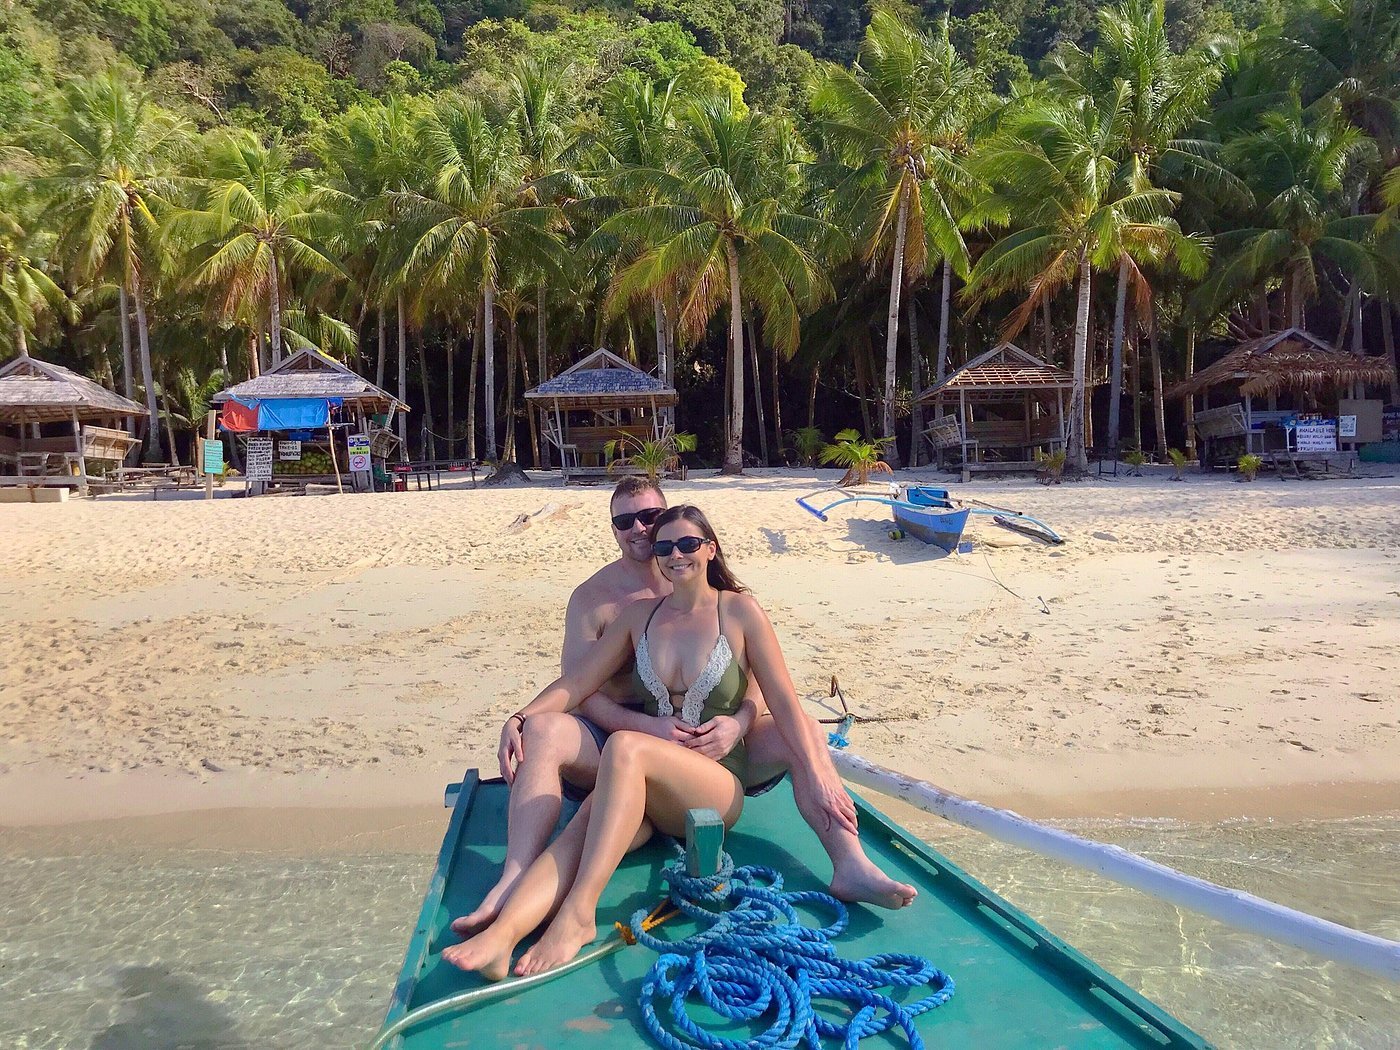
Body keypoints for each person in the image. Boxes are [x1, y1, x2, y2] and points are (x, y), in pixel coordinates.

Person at [443, 505, 914, 980]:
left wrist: (818, 772)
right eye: (665, 547)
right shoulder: (638, 617)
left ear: (710, 549)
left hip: (716, 787)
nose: (675, 555)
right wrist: (520, 716)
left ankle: (579, 915)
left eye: (688, 544)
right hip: (650, 791)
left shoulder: (739, 611)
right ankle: (502, 938)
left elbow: (786, 704)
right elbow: (578, 683)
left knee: (626, 746)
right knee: (576, 836)